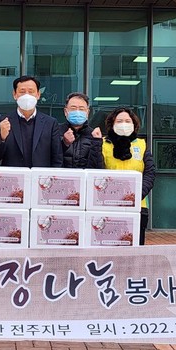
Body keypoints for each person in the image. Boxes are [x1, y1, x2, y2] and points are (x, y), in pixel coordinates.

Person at [102, 107, 155, 245]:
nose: (124, 124)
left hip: (138, 205)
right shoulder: (103, 144)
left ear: (134, 124)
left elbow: (150, 173)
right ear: (112, 124)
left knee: (135, 247)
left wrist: (137, 195)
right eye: (119, 121)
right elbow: (97, 172)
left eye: (127, 121)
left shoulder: (142, 145)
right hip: (109, 205)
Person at [0, 75, 63, 168]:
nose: (27, 95)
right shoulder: (3, 122)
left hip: (41, 176)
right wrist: (2, 138)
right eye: (22, 92)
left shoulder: (50, 123)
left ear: (38, 94)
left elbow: (57, 158)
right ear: (14, 94)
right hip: (13, 176)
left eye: (31, 91)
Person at [59, 92, 104, 169]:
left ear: (87, 112)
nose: (77, 112)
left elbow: (97, 166)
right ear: (66, 112)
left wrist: (97, 142)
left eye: (81, 109)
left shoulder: (94, 135)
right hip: (61, 176)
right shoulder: (56, 131)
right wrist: (64, 143)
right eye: (73, 108)